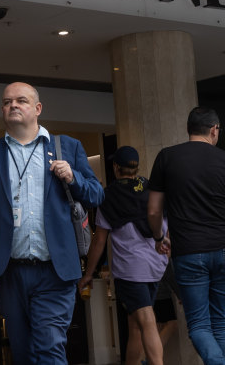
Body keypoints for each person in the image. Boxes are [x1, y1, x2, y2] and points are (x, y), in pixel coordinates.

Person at [0, 82, 104, 364]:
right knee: (23, 353)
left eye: (21, 100)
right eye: (7, 101)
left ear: (37, 109)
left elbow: (97, 195)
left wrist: (73, 177)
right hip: (10, 273)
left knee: (49, 348)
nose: (13, 105)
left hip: (55, 271)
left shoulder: (67, 148)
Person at [147, 106, 225, 365]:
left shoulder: (167, 158)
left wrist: (158, 237)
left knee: (198, 324)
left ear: (189, 130)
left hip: (188, 252)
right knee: (219, 321)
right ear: (214, 130)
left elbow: (153, 210)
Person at [79, 146, 168, 365]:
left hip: (131, 270)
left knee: (146, 320)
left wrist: (88, 273)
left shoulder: (107, 196)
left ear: (116, 167)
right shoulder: (152, 188)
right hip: (157, 265)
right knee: (135, 325)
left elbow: (100, 240)